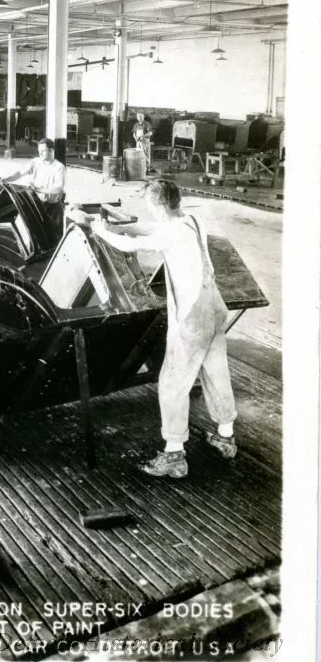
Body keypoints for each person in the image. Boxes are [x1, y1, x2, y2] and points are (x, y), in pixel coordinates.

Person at [91, 178, 237, 479]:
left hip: (194, 317)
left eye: (150, 206)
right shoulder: (191, 220)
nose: (149, 211)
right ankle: (225, 437)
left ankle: (173, 454)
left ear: (159, 206)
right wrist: (125, 225)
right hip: (215, 307)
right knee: (216, 373)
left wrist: (100, 231)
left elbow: (132, 246)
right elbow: (152, 229)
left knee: (173, 382)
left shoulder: (169, 234)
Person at [0, 137, 66, 231]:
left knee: (53, 236)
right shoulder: (35, 162)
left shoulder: (59, 167)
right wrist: (7, 179)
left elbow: (58, 188)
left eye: (43, 151)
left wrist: (37, 189)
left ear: (51, 150)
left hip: (52, 207)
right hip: (36, 204)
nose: (40, 153)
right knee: (34, 234)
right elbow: (19, 173)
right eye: (39, 150)